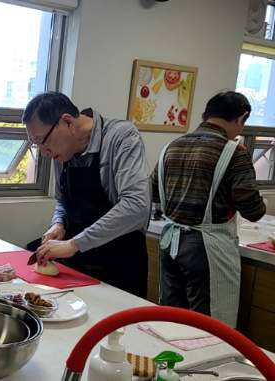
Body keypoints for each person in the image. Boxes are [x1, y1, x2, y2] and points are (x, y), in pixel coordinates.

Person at [151, 91, 265, 327]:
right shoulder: (234, 152)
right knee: (208, 325)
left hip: (170, 243)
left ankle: (169, 363)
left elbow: (152, 192)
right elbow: (252, 210)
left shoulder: (172, 146)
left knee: (171, 320)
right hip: (206, 248)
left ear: (205, 115)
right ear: (241, 117)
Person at [24, 92, 150, 298]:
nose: (44, 152)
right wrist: (59, 223)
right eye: (35, 145)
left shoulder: (121, 137)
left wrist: (74, 244)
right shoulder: (61, 151)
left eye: (42, 141)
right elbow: (62, 201)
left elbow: (137, 205)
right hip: (78, 261)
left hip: (120, 262)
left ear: (67, 122)